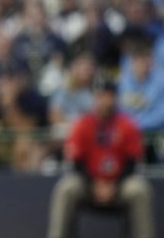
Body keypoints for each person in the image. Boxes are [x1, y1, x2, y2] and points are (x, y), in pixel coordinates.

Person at [47, 79, 154, 238]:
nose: (104, 101)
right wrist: (95, 184)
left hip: (119, 184)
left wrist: (113, 184)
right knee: (66, 188)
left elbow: (132, 162)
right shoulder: (83, 124)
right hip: (88, 184)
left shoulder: (127, 124)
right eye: (100, 96)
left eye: (108, 96)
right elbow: (76, 162)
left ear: (114, 98)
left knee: (139, 189)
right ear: (94, 98)